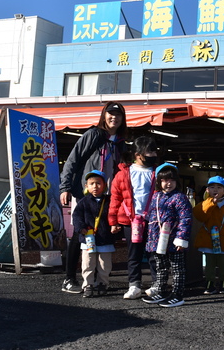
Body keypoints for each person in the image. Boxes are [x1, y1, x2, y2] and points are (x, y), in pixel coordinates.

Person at [59, 101, 127, 294]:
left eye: (118, 114)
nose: (114, 117)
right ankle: (69, 279)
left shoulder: (121, 142)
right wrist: (65, 187)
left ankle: (96, 280)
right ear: (104, 115)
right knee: (80, 233)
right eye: (110, 113)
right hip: (85, 193)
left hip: (108, 197)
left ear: (123, 119)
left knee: (102, 234)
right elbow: (73, 159)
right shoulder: (94, 134)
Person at [108, 136, 158, 300]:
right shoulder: (122, 174)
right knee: (133, 254)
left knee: (154, 254)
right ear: (138, 153)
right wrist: (113, 221)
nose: (153, 154)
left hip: (153, 221)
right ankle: (134, 285)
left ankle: (157, 284)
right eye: (150, 151)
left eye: (154, 150)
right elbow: (115, 198)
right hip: (130, 221)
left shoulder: (157, 172)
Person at [142, 163, 193, 307]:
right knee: (161, 266)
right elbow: (152, 218)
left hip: (174, 240)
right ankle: (161, 290)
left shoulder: (180, 198)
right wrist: (150, 239)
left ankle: (178, 293)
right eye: (164, 180)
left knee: (177, 268)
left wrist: (181, 238)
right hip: (158, 240)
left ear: (177, 181)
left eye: (171, 180)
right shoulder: (156, 196)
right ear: (159, 181)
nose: (168, 183)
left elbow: (186, 218)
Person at [72, 170, 115, 298]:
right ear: (87, 186)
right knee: (87, 263)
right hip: (88, 238)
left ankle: (103, 284)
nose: (95, 186)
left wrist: (116, 226)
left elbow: (114, 215)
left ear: (104, 186)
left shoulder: (109, 201)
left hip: (105, 238)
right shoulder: (83, 202)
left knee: (104, 264)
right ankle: (88, 285)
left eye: (98, 183)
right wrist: (80, 228)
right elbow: (76, 216)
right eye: (91, 184)